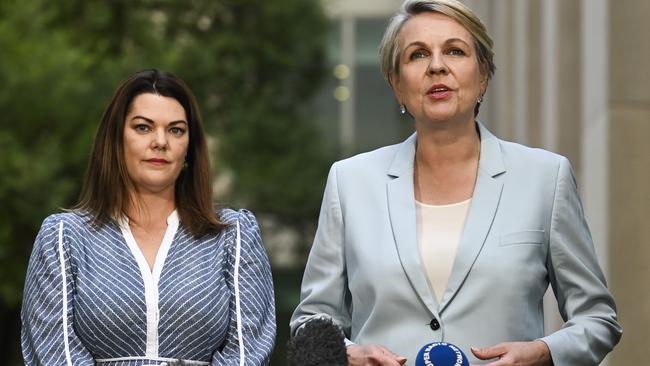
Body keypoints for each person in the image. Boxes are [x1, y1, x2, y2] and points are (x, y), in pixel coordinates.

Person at [290, 1, 621, 365]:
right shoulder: (349, 182)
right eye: (417, 55)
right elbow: (312, 321)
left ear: (483, 76)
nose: (436, 66)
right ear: (397, 85)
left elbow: (597, 318)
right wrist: (351, 354)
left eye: (454, 51)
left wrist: (543, 352)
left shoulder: (545, 177)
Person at [21, 69, 276, 365]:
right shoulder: (64, 237)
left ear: (189, 151)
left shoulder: (234, 235)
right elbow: (54, 351)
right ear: (116, 140)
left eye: (176, 130)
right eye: (143, 127)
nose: (160, 141)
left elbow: (248, 352)